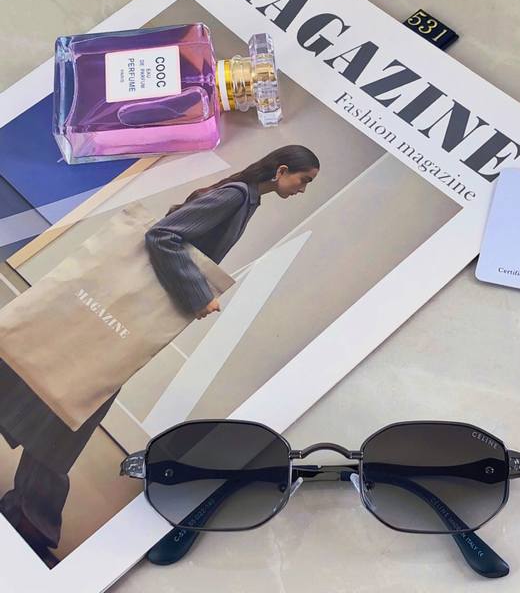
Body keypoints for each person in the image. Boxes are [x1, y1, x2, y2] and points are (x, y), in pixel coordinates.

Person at [0, 144, 320, 568]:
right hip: (116, 323)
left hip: (113, 319)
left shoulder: (245, 198)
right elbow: (163, 235)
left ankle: (29, 513)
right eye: (304, 180)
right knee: (76, 407)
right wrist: (197, 294)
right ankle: (31, 516)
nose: (303, 189)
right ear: (281, 170)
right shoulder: (236, 196)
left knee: (64, 401)